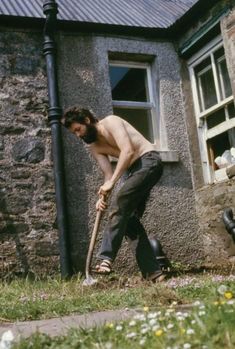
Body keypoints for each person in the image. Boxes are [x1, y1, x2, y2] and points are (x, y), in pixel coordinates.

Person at [62, 107, 165, 282]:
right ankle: (153, 273)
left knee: (120, 205)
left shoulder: (111, 122)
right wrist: (101, 198)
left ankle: (105, 257)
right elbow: (108, 175)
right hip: (134, 170)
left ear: (86, 120)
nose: (78, 135)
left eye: (78, 130)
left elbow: (128, 151)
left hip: (149, 161)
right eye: (74, 133)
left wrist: (111, 184)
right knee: (129, 219)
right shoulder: (94, 147)